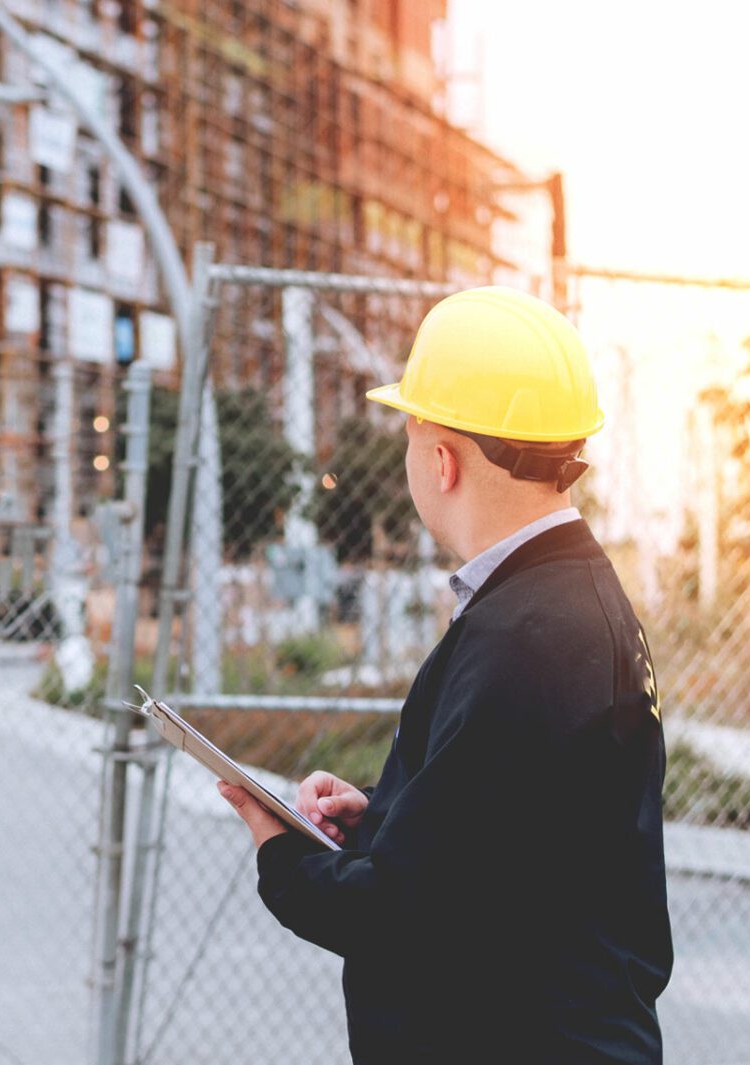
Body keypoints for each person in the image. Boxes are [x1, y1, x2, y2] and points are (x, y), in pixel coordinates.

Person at [217, 286, 672, 1063]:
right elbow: (513, 838)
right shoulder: (567, 599)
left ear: (440, 458)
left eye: (409, 431)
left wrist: (279, 851)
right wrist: (389, 815)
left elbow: (403, 912)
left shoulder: (527, 636)